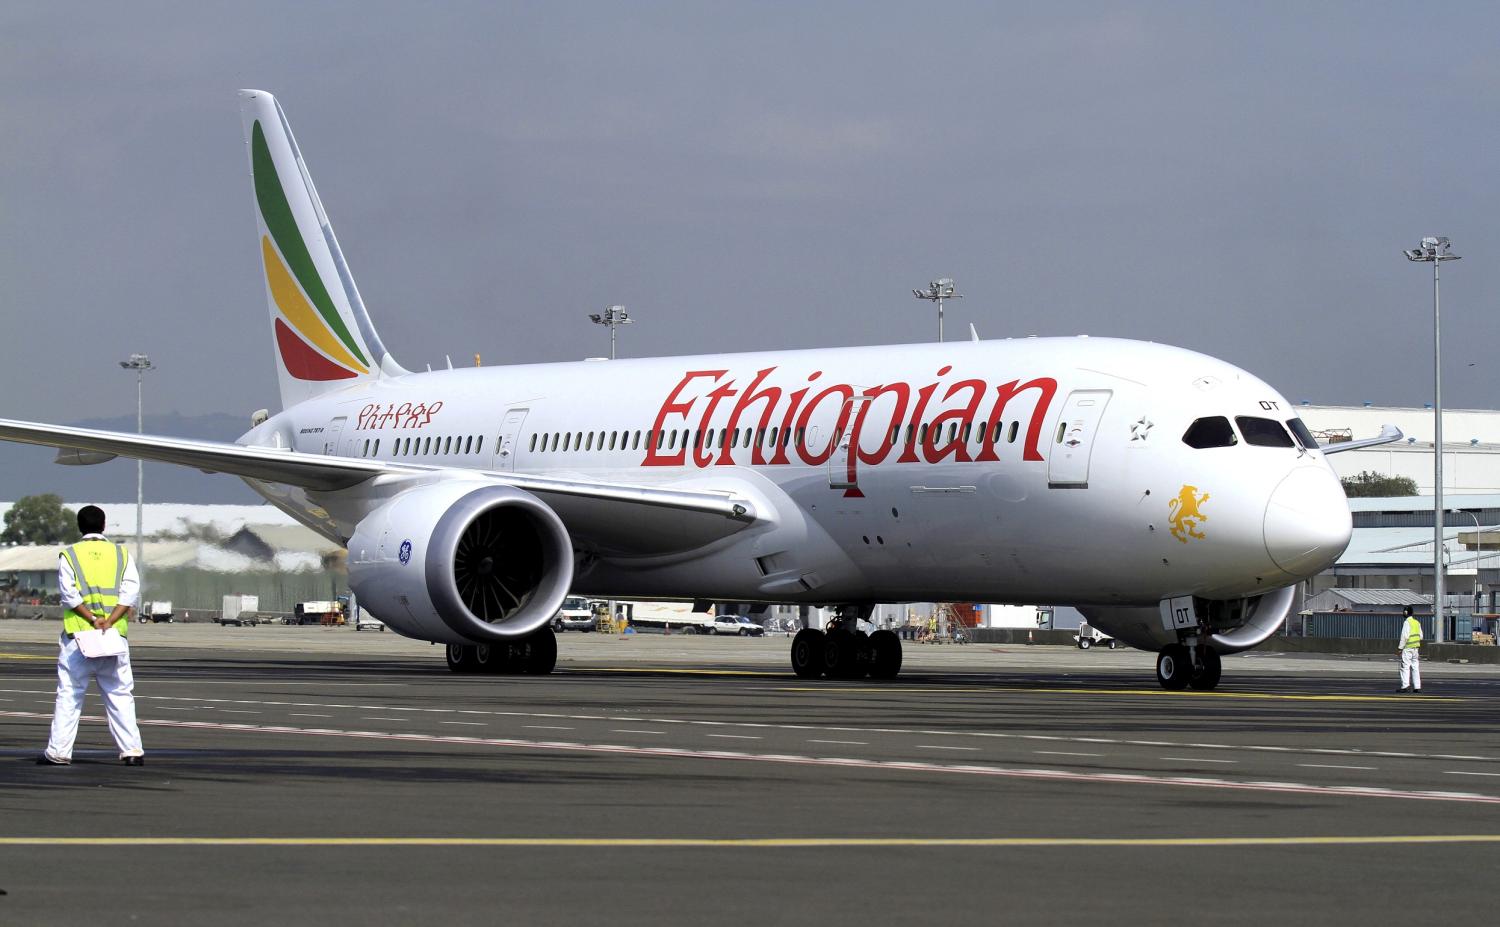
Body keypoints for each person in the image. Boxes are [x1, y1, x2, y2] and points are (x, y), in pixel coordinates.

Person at [38, 505, 146, 766]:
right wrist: (109, 620)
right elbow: (130, 593)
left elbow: (69, 595)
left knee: (70, 694)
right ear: (104, 525)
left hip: (79, 638)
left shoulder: (70, 555)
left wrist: (92, 619)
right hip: (113, 636)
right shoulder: (122, 555)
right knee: (120, 694)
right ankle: (132, 750)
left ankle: (60, 752)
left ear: (79, 527)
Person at [1397, 605, 1423, 694]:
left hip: (1407, 648)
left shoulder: (1407, 622)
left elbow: (1404, 636)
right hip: (1416, 648)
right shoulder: (1417, 622)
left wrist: (1400, 648)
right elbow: (1421, 636)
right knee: (1415, 667)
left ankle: (1405, 686)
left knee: (1405, 667)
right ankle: (1417, 686)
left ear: (1406, 612)